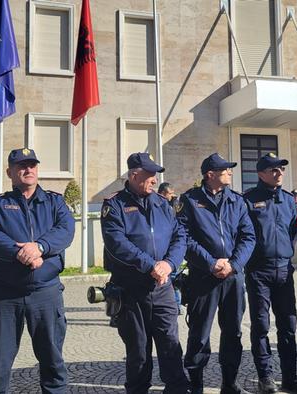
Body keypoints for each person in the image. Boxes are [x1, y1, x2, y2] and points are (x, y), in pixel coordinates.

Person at [0, 148, 75, 393]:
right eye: (21, 166)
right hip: (5, 295)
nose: (28, 169)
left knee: (53, 362)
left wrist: (39, 247)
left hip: (46, 293)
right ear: (10, 172)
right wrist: (19, 253)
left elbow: (65, 231)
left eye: (32, 165)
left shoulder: (55, 202)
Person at [101, 153, 189, 393]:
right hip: (131, 290)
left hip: (163, 288)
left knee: (171, 346)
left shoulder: (162, 204)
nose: (154, 179)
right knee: (138, 353)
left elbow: (180, 236)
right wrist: (151, 265)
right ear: (134, 175)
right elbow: (116, 243)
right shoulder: (114, 204)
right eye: (150, 174)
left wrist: (169, 264)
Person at [177, 153, 255, 394]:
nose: (230, 172)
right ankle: (196, 384)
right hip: (203, 277)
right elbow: (184, 238)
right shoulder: (189, 200)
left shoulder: (237, 201)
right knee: (199, 334)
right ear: (210, 174)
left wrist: (233, 264)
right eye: (225, 169)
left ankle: (229, 383)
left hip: (232, 276)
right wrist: (210, 263)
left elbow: (248, 236)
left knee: (233, 331)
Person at [243, 153, 297, 394]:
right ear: (261, 173)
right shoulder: (249, 200)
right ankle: (265, 377)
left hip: (284, 270)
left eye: (281, 169)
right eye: (273, 169)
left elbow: (293, 231)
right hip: (258, 271)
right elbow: (243, 235)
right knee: (261, 325)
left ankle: (290, 377)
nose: (279, 173)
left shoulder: (288, 200)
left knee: (288, 325)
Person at [158, 182, 183, 313]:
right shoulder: (158, 205)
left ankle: (177, 306)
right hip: (163, 252)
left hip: (173, 251)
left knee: (175, 279)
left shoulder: (174, 205)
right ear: (162, 193)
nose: (172, 196)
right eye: (169, 194)